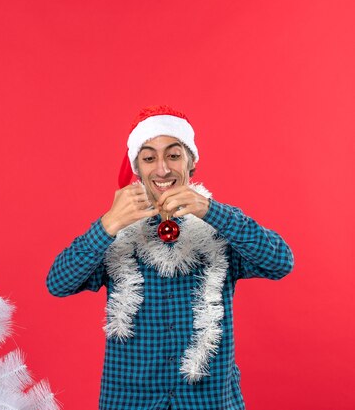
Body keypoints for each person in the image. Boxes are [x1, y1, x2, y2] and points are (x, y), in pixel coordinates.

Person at [46, 105, 294, 410]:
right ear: (138, 169)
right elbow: (58, 283)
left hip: (210, 401)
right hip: (129, 401)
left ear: (191, 164)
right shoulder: (117, 232)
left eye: (174, 155)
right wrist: (107, 225)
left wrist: (210, 210)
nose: (162, 169)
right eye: (149, 158)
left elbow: (281, 262)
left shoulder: (220, 227)